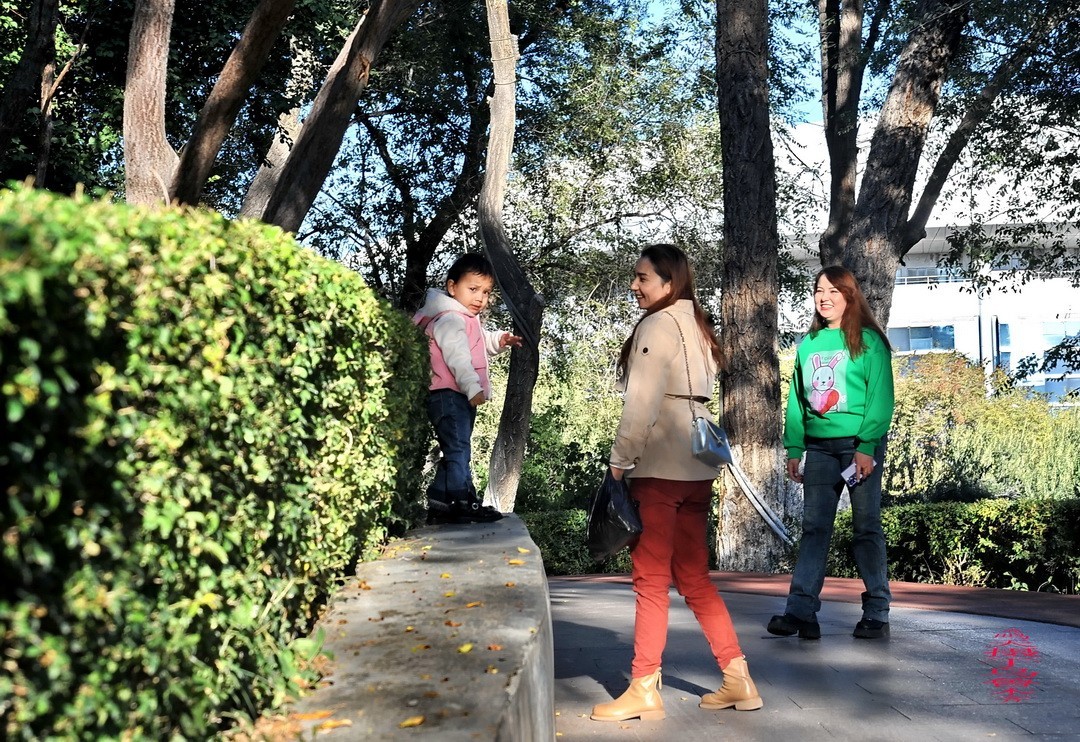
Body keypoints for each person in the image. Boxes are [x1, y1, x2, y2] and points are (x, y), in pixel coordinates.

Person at [590, 244, 762, 724]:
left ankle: (644, 686)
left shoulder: (657, 325)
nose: (634, 285)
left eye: (643, 278)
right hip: (697, 468)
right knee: (694, 577)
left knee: (649, 580)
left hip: (659, 466)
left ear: (669, 284)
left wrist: (618, 464)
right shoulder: (699, 326)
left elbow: (641, 404)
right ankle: (737, 677)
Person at [768, 265, 895, 640]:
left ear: (849, 296)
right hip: (819, 449)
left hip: (859, 447)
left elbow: (880, 399)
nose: (824, 298)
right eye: (819, 291)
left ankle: (877, 611)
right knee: (814, 528)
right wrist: (794, 446)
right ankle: (801, 612)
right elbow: (796, 401)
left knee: (865, 527)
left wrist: (867, 447)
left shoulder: (869, 341)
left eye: (833, 292)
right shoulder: (808, 344)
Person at [413, 254, 522, 524]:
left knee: (454, 449)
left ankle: (440, 501)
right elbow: (458, 357)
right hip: (450, 395)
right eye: (473, 289)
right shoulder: (450, 319)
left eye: (486, 292)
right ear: (452, 287)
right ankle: (463, 500)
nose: (480, 298)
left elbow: (480, 342)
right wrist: (472, 387)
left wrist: (501, 339)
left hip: (454, 396)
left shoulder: (462, 318)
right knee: (459, 448)